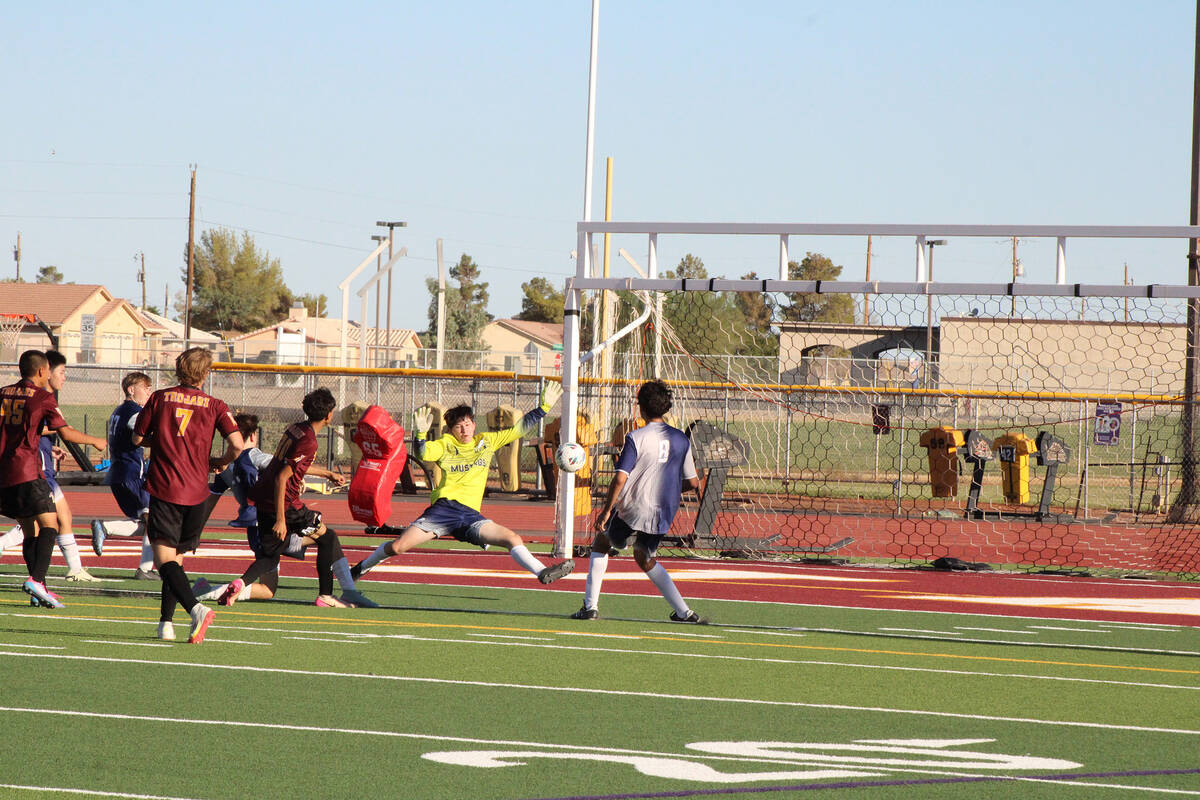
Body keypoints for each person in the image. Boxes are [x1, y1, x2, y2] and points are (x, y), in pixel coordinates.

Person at [351, 382, 574, 585]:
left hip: (470, 516)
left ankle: (542, 572)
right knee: (399, 547)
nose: (464, 430)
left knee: (512, 538)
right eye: (458, 427)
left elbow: (519, 428)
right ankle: (362, 567)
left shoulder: (486, 441)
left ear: (474, 425)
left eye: (467, 424)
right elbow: (422, 452)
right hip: (443, 510)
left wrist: (543, 408)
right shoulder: (445, 444)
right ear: (451, 430)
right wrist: (419, 435)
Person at [216, 388, 376, 609]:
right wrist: (282, 519)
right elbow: (282, 477)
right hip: (287, 505)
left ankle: (239, 583)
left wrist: (328, 473)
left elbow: (291, 464)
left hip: (263, 500)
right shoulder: (309, 441)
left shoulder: (295, 428)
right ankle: (326, 596)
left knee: (270, 556)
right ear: (329, 415)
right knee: (328, 538)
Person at [570, 380, 706, 623]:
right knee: (644, 555)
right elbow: (693, 483)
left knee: (601, 543)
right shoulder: (681, 439)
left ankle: (590, 607)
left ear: (641, 408)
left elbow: (620, 479)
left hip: (634, 507)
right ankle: (685, 612)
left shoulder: (636, 437)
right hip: (663, 511)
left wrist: (605, 511)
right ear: (666, 408)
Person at [133, 347, 243, 643]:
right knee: (176, 561)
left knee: (164, 560)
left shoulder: (159, 397)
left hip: (166, 487)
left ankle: (195, 609)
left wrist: (165, 441)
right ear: (205, 374)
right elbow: (237, 444)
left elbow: (137, 438)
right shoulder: (216, 404)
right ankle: (165, 623)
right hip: (198, 492)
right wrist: (221, 462)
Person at [0, 350, 107, 608]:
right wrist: (96, 441)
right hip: (27, 470)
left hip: (4, 473)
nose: (49, 374)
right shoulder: (43, 397)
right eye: (48, 369)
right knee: (51, 524)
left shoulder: (3, 392)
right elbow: (67, 433)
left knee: (29, 530)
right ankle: (37, 581)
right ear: (40, 371)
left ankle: (39, 588)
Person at [89, 371, 159, 579]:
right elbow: (142, 432)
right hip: (132, 474)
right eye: (145, 388)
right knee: (156, 521)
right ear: (131, 389)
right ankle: (144, 568)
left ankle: (144, 568)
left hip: (119, 474)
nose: (149, 391)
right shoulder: (134, 412)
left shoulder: (118, 411)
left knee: (150, 522)